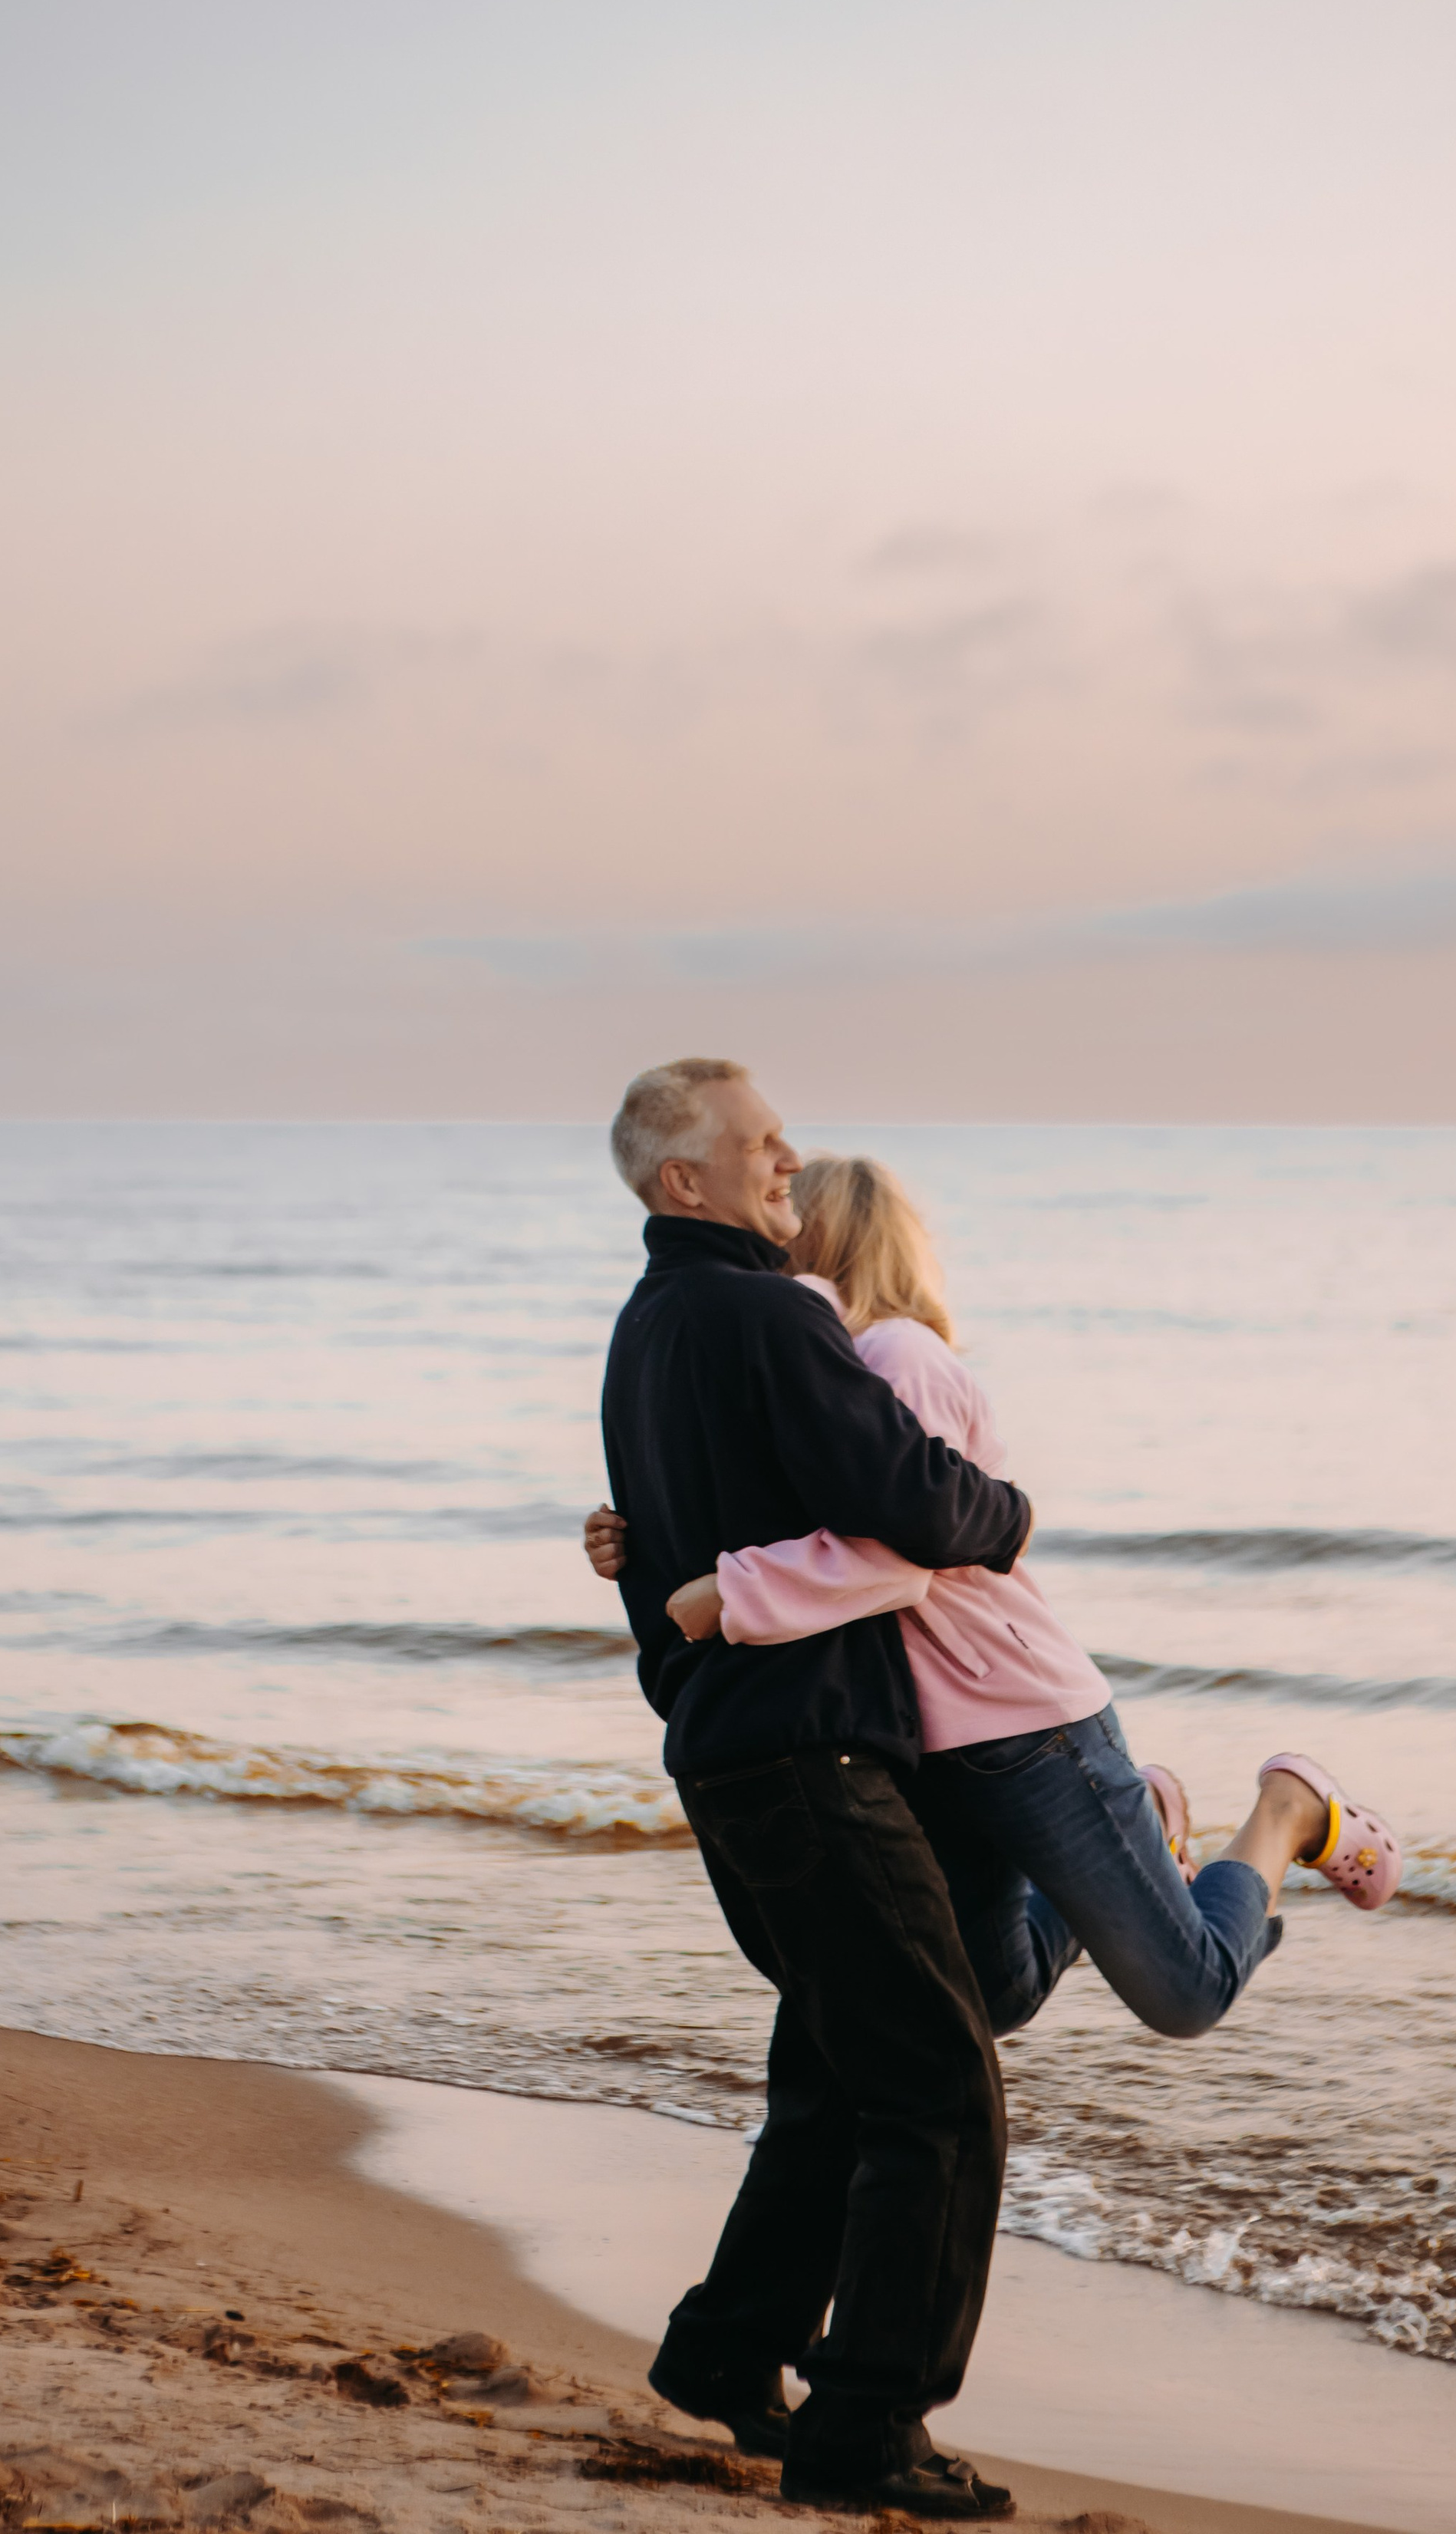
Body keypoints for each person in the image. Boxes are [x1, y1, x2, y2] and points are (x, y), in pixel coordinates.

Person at [588, 1151, 1400, 2060]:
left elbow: (902, 1557)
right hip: (918, 1744)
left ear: (819, 1238)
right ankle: (1158, 1821)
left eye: (786, 1224)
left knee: (1187, 1993)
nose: (766, 1239)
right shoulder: (804, 1375)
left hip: (1023, 1727)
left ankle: (1288, 1809)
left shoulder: (899, 1356)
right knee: (990, 1995)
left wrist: (733, 1591)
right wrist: (640, 1537)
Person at [598, 1060, 1033, 2521]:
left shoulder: (645, 1330)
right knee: (940, 2090)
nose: (789, 1156)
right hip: (814, 1760)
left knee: (842, 2076)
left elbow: (663, 1578)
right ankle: (868, 2433)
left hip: (731, 1755)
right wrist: (1012, 1514)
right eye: (759, 1143)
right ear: (687, 1182)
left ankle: (729, 2351)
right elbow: (912, 1501)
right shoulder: (768, 1314)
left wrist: (690, 1678)